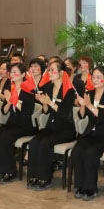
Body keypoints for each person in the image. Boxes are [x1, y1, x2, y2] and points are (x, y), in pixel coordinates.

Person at [27, 61, 77, 190]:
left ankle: (45, 178)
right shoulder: (49, 87)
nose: (49, 73)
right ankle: (34, 175)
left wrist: (50, 103)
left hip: (66, 129)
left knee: (45, 143)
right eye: (49, 70)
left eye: (53, 70)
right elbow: (46, 111)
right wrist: (43, 102)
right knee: (34, 142)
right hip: (51, 126)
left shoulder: (68, 90)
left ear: (61, 72)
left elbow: (65, 114)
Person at [71, 66, 104, 200]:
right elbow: (81, 116)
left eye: (99, 77)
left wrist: (89, 105)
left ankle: (91, 188)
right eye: (93, 77)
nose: (95, 80)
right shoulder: (89, 94)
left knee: (91, 152)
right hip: (91, 134)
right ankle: (80, 185)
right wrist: (82, 104)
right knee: (77, 150)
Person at [0, 62, 36, 183]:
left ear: (23, 74)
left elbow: (26, 112)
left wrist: (13, 100)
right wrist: (8, 101)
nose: (12, 74)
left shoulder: (29, 90)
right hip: (12, 123)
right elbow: (4, 111)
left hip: (25, 125)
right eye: (11, 72)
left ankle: (10, 171)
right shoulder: (11, 89)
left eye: (15, 72)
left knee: (5, 138)